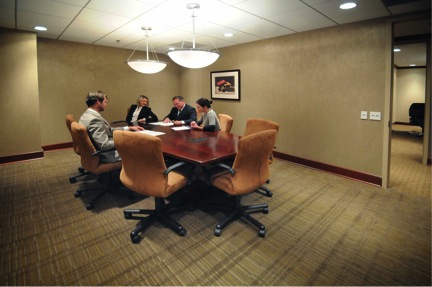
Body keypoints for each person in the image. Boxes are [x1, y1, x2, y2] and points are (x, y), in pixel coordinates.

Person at [79, 91, 143, 163]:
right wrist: (126, 140)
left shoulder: (87, 115)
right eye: (105, 102)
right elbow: (104, 145)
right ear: (98, 102)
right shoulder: (94, 120)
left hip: (91, 152)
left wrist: (128, 128)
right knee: (140, 147)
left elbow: (108, 130)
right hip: (105, 155)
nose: (106, 105)